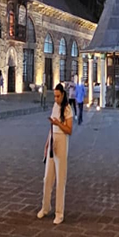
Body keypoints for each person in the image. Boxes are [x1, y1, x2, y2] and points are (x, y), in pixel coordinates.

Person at [37, 83, 74, 225]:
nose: (56, 98)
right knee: (47, 178)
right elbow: (51, 126)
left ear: (63, 95)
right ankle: (45, 207)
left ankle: (59, 213)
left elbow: (69, 130)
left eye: (58, 96)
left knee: (60, 179)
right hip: (52, 142)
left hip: (62, 144)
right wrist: (47, 143)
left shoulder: (67, 109)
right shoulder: (54, 106)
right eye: (55, 96)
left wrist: (59, 124)